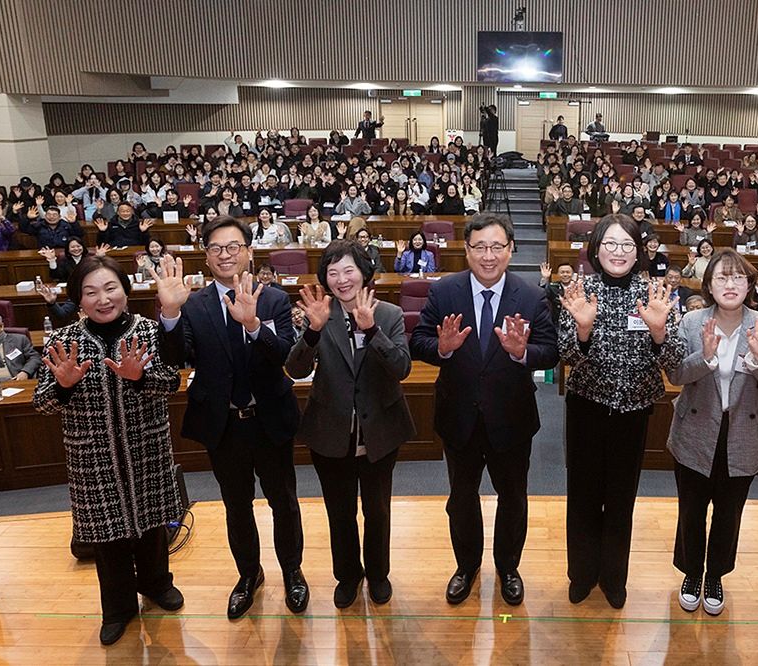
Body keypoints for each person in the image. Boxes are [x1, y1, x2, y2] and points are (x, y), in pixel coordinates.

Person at [153, 216, 307, 620]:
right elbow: (174, 359)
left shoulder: (271, 298)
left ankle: (293, 571)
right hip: (224, 424)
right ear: (206, 256)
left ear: (249, 252)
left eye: (234, 247)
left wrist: (253, 324)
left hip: (269, 418)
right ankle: (248, 575)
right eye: (217, 248)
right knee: (236, 506)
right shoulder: (193, 304)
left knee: (283, 502)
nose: (226, 255)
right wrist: (169, 313)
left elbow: (285, 359)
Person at [32, 256, 184, 645]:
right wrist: (63, 386)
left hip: (145, 448)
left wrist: (139, 378)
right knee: (107, 538)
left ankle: (156, 585)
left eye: (110, 288)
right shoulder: (61, 341)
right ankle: (117, 608)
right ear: (78, 300)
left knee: (151, 527)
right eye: (91, 292)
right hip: (92, 458)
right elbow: (43, 404)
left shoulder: (149, 332)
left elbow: (171, 384)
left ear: (125, 290)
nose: (103, 299)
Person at [409, 213, 558, 606]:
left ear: (511, 250)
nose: (488, 256)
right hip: (459, 417)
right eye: (479, 247)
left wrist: (524, 353)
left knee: (514, 498)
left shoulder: (530, 295)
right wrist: (442, 348)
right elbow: (419, 341)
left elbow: (553, 352)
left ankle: (508, 568)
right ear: (466, 249)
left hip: (511, 418)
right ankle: (466, 566)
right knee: (461, 498)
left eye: (496, 247)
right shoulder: (445, 292)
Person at [558, 214, 686, 608]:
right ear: (596, 249)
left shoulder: (656, 292)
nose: (618, 251)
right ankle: (581, 574)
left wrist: (660, 332)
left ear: (639, 251)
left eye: (627, 244)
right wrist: (581, 330)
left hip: (633, 413)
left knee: (620, 499)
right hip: (586, 410)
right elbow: (563, 356)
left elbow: (677, 364)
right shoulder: (581, 289)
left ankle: (614, 577)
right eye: (610, 244)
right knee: (582, 497)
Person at [285, 240, 414, 608]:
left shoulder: (388, 313)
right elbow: (295, 370)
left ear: (364, 273)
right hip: (330, 429)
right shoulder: (318, 314)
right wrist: (312, 331)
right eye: (333, 271)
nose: (341, 279)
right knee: (339, 510)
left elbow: (402, 368)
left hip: (380, 429)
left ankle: (378, 573)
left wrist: (373, 331)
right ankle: (347, 575)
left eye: (349, 270)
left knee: (377, 509)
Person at [666, 248, 758, 616]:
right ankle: (691, 572)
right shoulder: (692, 323)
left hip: (743, 435)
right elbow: (675, 375)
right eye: (722, 277)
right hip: (695, 430)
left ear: (750, 283)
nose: (730, 284)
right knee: (691, 510)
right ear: (708, 285)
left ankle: (716, 574)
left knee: (729, 512)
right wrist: (703, 357)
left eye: (738, 277)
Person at [0, 312, 41, 382]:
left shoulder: (19, 340)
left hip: (15, 380)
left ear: (1, 326)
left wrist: (25, 372)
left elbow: (34, 358)